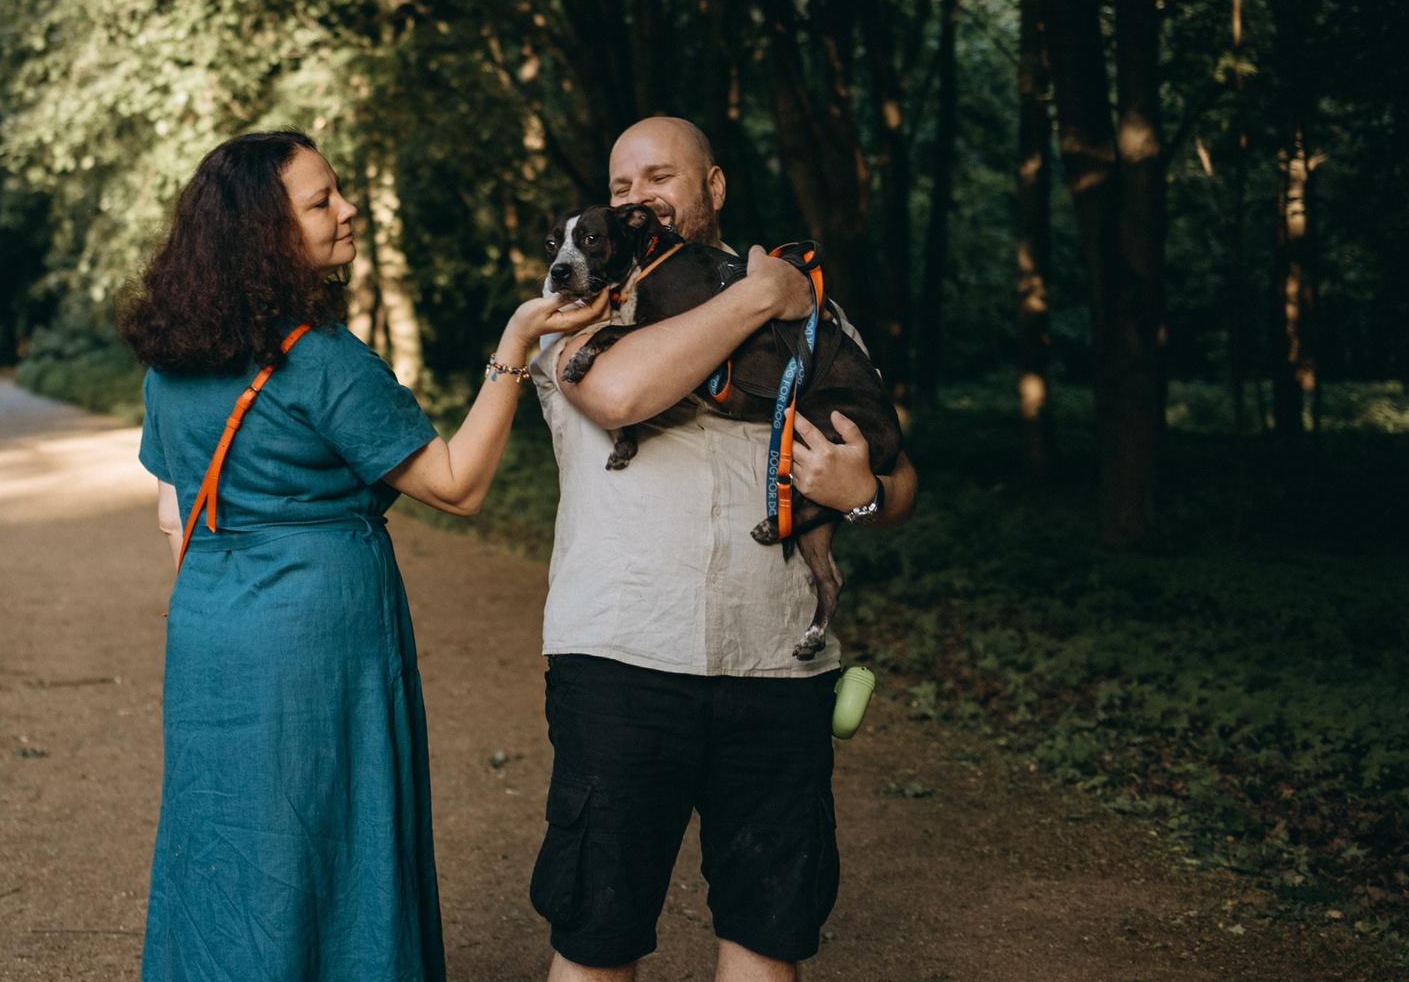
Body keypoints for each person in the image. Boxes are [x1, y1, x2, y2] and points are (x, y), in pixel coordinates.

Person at [126, 129, 587, 982]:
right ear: (265, 233)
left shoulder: (171, 360)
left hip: (210, 628)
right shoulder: (320, 359)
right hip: (318, 633)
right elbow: (457, 484)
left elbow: (173, 511)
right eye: (321, 201)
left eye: (339, 192)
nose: (348, 209)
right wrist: (514, 348)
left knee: (223, 832)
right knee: (333, 827)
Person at [529, 116, 920, 982]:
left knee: (767, 935)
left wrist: (864, 495)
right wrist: (763, 294)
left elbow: (899, 481)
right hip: (625, 659)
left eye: (660, 178)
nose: (638, 203)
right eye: (621, 189)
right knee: (596, 937)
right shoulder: (578, 306)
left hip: (779, 668)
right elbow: (623, 391)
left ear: (714, 189)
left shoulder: (816, 314)